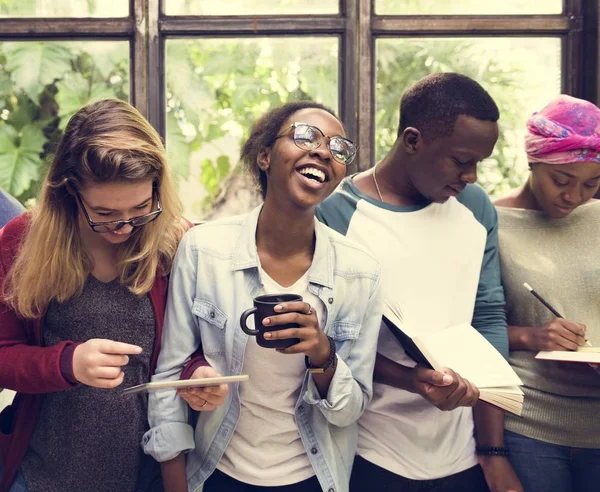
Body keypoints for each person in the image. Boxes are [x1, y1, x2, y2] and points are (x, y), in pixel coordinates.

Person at [143, 101, 382, 492]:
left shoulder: (360, 273)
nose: (323, 151)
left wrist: (322, 354)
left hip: (313, 479)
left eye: (339, 148)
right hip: (216, 475)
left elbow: (349, 410)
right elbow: (169, 376)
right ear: (266, 155)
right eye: (306, 136)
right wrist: (176, 485)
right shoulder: (203, 249)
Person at [318, 73, 523, 492]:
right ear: (413, 140)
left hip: (463, 455)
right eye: (461, 161)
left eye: (478, 164)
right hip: (366, 454)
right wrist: (413, 380)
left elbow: (487, 317)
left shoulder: (475, 208)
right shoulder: (335, 215)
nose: (472, 177)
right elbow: (328, 345)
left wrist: (493, 450)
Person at [0, 99, 187, 492]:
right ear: (68, 191)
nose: (123, 227)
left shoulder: (176, 241)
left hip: (148, 476)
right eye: (103, 214)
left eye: (140, 209)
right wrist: (67, 363)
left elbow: (193, 346)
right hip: (39, 475)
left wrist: (199, 374)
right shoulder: (22, 241)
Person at [494, 94, 600, 492]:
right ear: (534, 162)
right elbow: (462, 328)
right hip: (529, 424)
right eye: (562, 181)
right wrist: (532, 335)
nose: (575, 197)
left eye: (591, 184)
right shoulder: (491, 221)